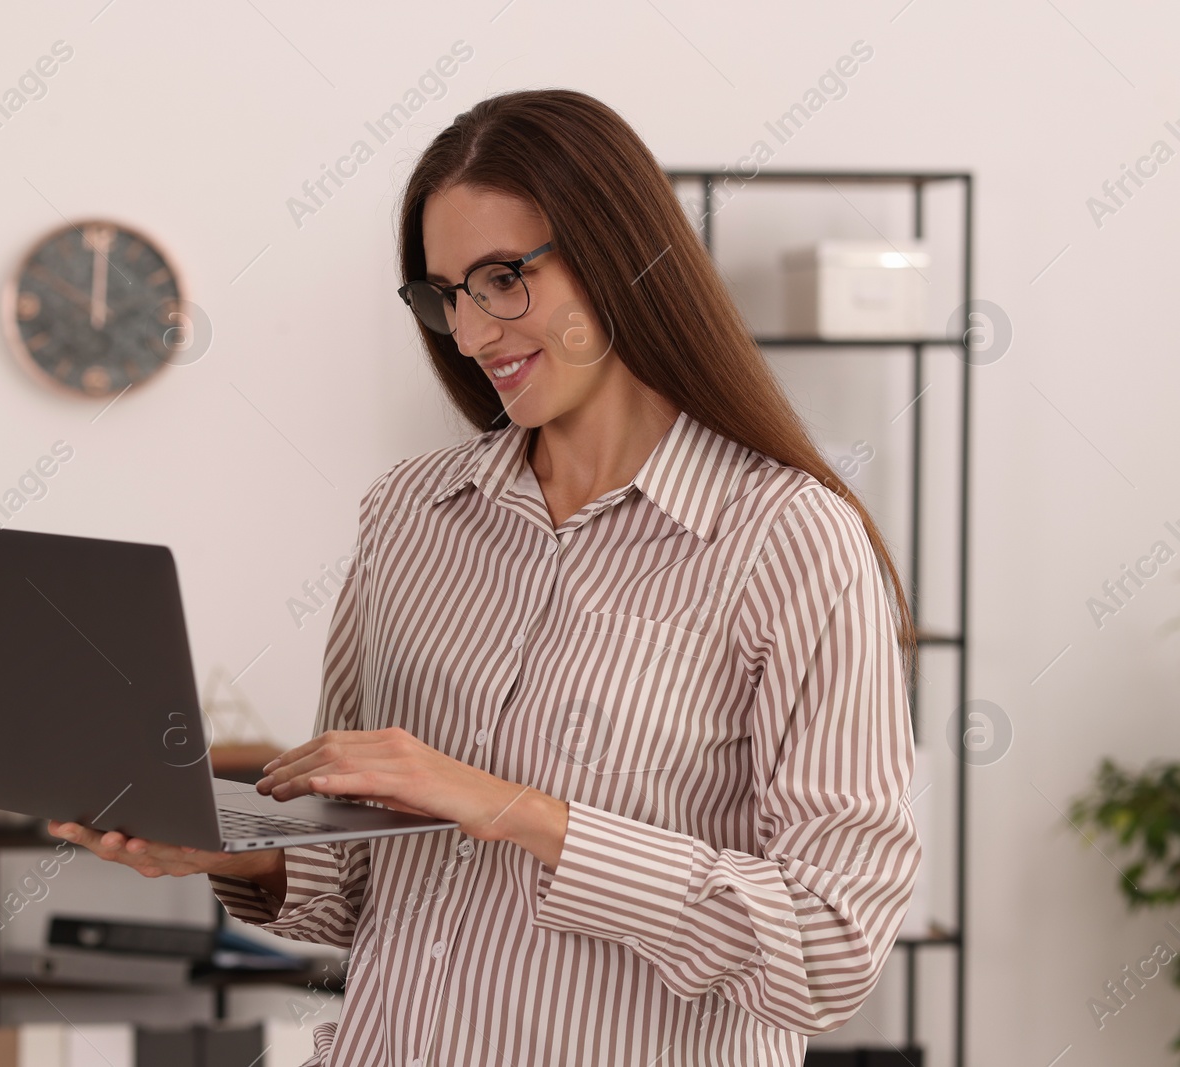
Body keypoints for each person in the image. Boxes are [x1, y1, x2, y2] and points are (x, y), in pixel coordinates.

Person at [51, 87, 922, 1066]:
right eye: (444, 294)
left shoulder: (789, 541)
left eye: (502, 278)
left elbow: (829, 950)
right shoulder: (408, 517)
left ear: (622, 255)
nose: (469, 334)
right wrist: (236, 848)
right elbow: (364, 880)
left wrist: (521, 811)